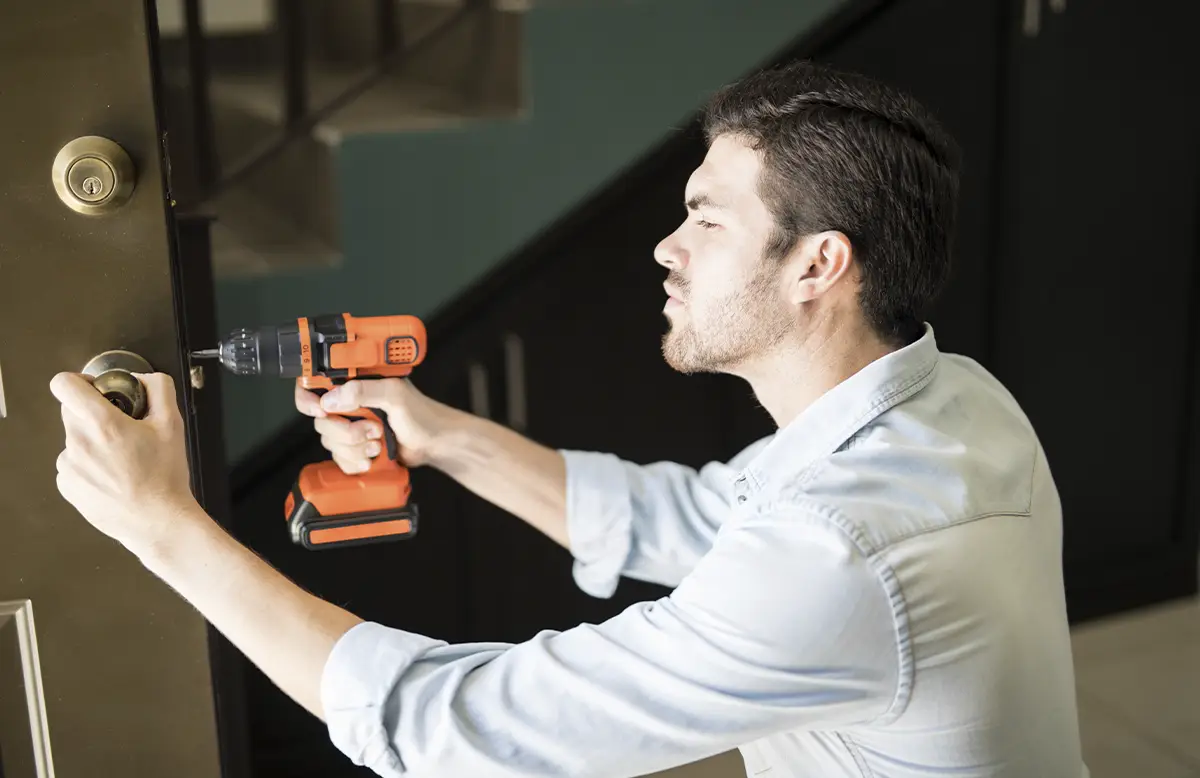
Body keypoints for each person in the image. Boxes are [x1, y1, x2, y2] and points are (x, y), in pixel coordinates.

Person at [49, 60, 1087, 777]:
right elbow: (692, 519)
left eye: (706, 219)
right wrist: (442, 435)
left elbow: (452, 731)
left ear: (819, 264)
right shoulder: (956, 402)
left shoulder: (839, 552)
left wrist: (160, 523)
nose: (667, 247)